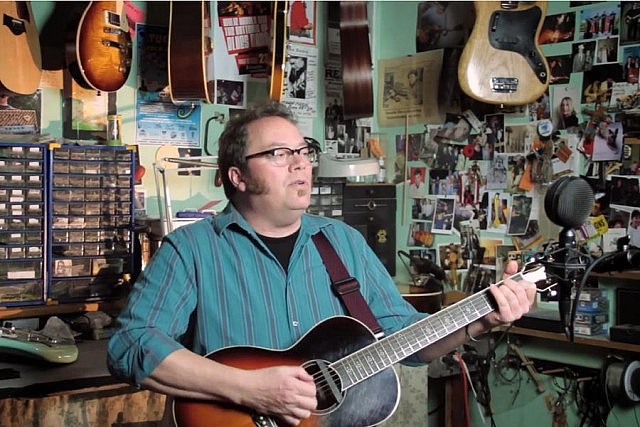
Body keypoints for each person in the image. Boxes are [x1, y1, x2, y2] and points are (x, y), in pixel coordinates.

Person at [107, 102, 536, 426]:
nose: (301, 163)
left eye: (303, 150)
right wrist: (252, 390)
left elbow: (407, 340)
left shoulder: (342, 242)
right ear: (238, 177)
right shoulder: (192, 249)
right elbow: (130, 346)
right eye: (278, 153)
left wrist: (481, 319)